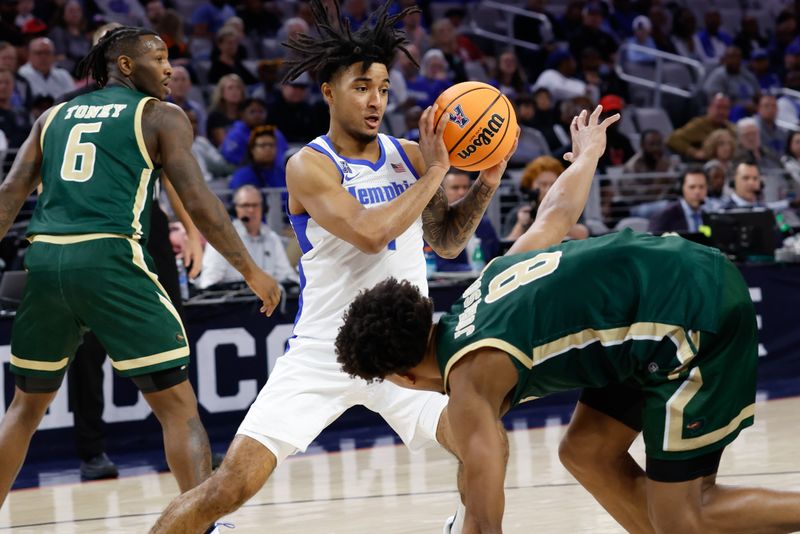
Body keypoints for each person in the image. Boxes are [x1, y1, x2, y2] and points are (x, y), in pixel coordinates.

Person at [336, 107, 800, 534]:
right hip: (664, 290)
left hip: (692, 313)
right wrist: (586, 158)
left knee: (684, 515)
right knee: (587, 452)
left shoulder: (469, 384)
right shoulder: (488, 281)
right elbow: (553, 217)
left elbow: (484, 518)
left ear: (401, 376)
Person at [150, 1, 517, 532]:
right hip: (326, 351)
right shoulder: (309, 165)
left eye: (384, 89)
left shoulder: (409, 156)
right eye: (362, 87)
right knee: (230, 485)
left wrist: (483, 183)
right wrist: (437, 171)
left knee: (483, 442)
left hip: (404, 350)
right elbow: (370, 234)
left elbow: (447, 241)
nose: (376, 101)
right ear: (329, 91)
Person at [0, 26, 281, 507]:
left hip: (44, 258)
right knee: (178, 407)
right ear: (125, 65)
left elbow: (8, 198)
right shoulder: (159, 115)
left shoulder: (52, 116)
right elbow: (199, 200)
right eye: (159, 57)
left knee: (24, 408)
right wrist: (252, 270)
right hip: (108, 256)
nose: (170, 68)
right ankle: (197, 521)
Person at [197, 185, 297, 289]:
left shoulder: (272, 238)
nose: (250, 210)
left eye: (255, 205)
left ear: (263, 208)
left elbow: (288, 276)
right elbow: (208, 283)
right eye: (245, 205)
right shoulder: (222, 240)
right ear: (234, 209)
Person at [433, 170, 500, 272]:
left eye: (466, 187)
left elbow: (496, 255)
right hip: (450, 285)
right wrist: (474, 270)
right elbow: (437, 264)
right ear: (441, 192)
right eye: (455, 188)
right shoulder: (432, 224)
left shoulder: (484, 222)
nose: (462, 192)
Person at [667, 93, 734, 161]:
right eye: (718, 107)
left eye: (725, 108)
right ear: (709, 108)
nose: (722, 112)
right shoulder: (699, 125)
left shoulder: (731, 128)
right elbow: (673, 139)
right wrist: (694, 152)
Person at [649, 167, 708, 234]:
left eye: (702, 187)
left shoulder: (709, 216)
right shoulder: (664, 216)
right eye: (692, 187)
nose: (697, 192)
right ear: (681, 188)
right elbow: (652, 243)